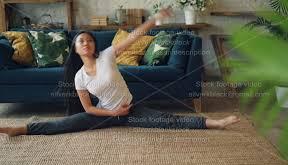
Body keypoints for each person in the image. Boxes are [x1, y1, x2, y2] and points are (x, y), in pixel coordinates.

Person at [0, 7, 240, 137]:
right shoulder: (79, 76)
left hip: (131, 110)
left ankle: (215, 123)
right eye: (81, 41)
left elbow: (135, 35)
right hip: (105, 114)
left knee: (169, 120)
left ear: (95, 46)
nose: (86, 43)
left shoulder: (107, 56)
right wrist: (111, 113)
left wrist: (154, 19)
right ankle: (20, 128)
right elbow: (88, 109)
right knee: (64, 124)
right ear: (74, 47)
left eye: (90, 41)